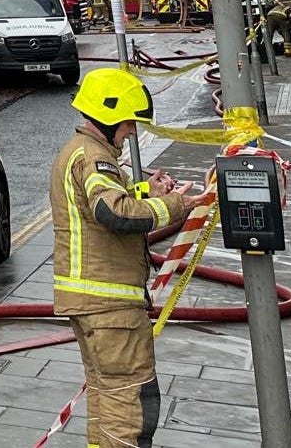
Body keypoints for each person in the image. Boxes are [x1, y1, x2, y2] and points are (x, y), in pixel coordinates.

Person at [51, 67, 209, 448]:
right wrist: (174, 205)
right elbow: (113, 212)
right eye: (128, 124)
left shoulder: (84, 152)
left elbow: (100, 202)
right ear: (107, 117)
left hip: (92, 301)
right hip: (109, 304)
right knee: (132, 403)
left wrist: (146, 191)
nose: (132, 131)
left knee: (108, 398)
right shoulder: (94, 157)